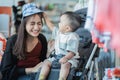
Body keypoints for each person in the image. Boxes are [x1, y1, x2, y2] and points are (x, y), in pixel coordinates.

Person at [0, 3, 47, 80]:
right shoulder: (13, 40)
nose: (36, 28)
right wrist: (31, 69)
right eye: (32, 24)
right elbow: (6, 71)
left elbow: (43, 61)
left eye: (39, 23)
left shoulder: (42, 39)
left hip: (38, 75)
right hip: (18, 76)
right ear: (24, 25)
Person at [39, 11, 81, 80]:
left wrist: (66, 58)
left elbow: (72, 52)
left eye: (60, 22)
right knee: (46, 63)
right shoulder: (59, 33)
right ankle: (42, 77)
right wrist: (45, 17)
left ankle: (62, 78)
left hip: (68, 58)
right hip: (56, 57)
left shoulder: (72, 37)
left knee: (65, 66)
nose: (59, 23)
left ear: (67, 28)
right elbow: (51, 26)